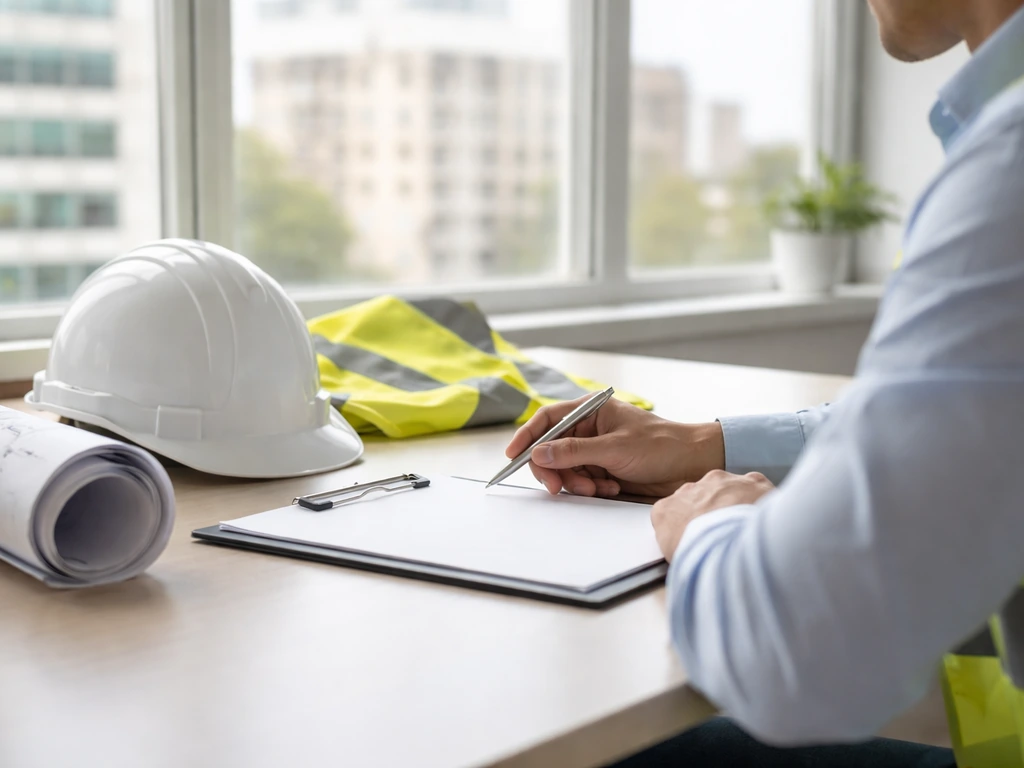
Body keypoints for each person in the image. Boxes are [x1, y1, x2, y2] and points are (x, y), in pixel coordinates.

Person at [505, 1, 1024, 765]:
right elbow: (979, 421)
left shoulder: (1009, 172)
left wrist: (709, 525)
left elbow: (797, 657)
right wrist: (706, 447)